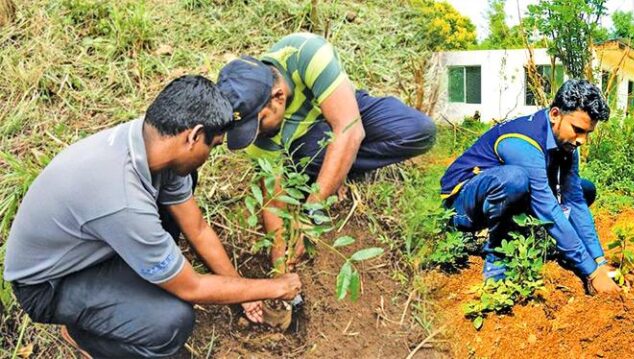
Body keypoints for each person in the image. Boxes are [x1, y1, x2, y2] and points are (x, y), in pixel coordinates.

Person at [3, 75, 302, 358]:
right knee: (170, 322)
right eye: (212, 146)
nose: (210, 155)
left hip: (87, 246)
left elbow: (196, 228)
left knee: (172, 220)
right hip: (49, 284)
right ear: (195, 136)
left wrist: (241, 291)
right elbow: (192, 287)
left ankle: (138, 278)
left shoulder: (154, 143)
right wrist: (273, 286)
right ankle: (87, 339)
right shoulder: (121, 195)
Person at [216, 32, 436, 266]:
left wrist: (311, 213)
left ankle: (340, 161)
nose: (255, 133)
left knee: (418, 130)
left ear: (278, 96)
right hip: (306, 147)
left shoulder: (305, 53)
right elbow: (273, 200)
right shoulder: (257, 131)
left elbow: (349, 127)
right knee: (323, 148)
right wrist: (280, 262)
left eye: (258, 123)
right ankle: (338, 162)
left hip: (344, 110)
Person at [440, 79, 620, 294]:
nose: (582, 140)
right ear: (555, 114)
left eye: (587, 133)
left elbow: (574, 200)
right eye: (577, 129)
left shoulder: (568, 142)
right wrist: (591, 272)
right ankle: (497, 258)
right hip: (463, 207)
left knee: (584, 189)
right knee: (515, 179)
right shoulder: (522, 141)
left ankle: (524, 233)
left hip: (501, 196)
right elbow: (546, 206)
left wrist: (599, 261)